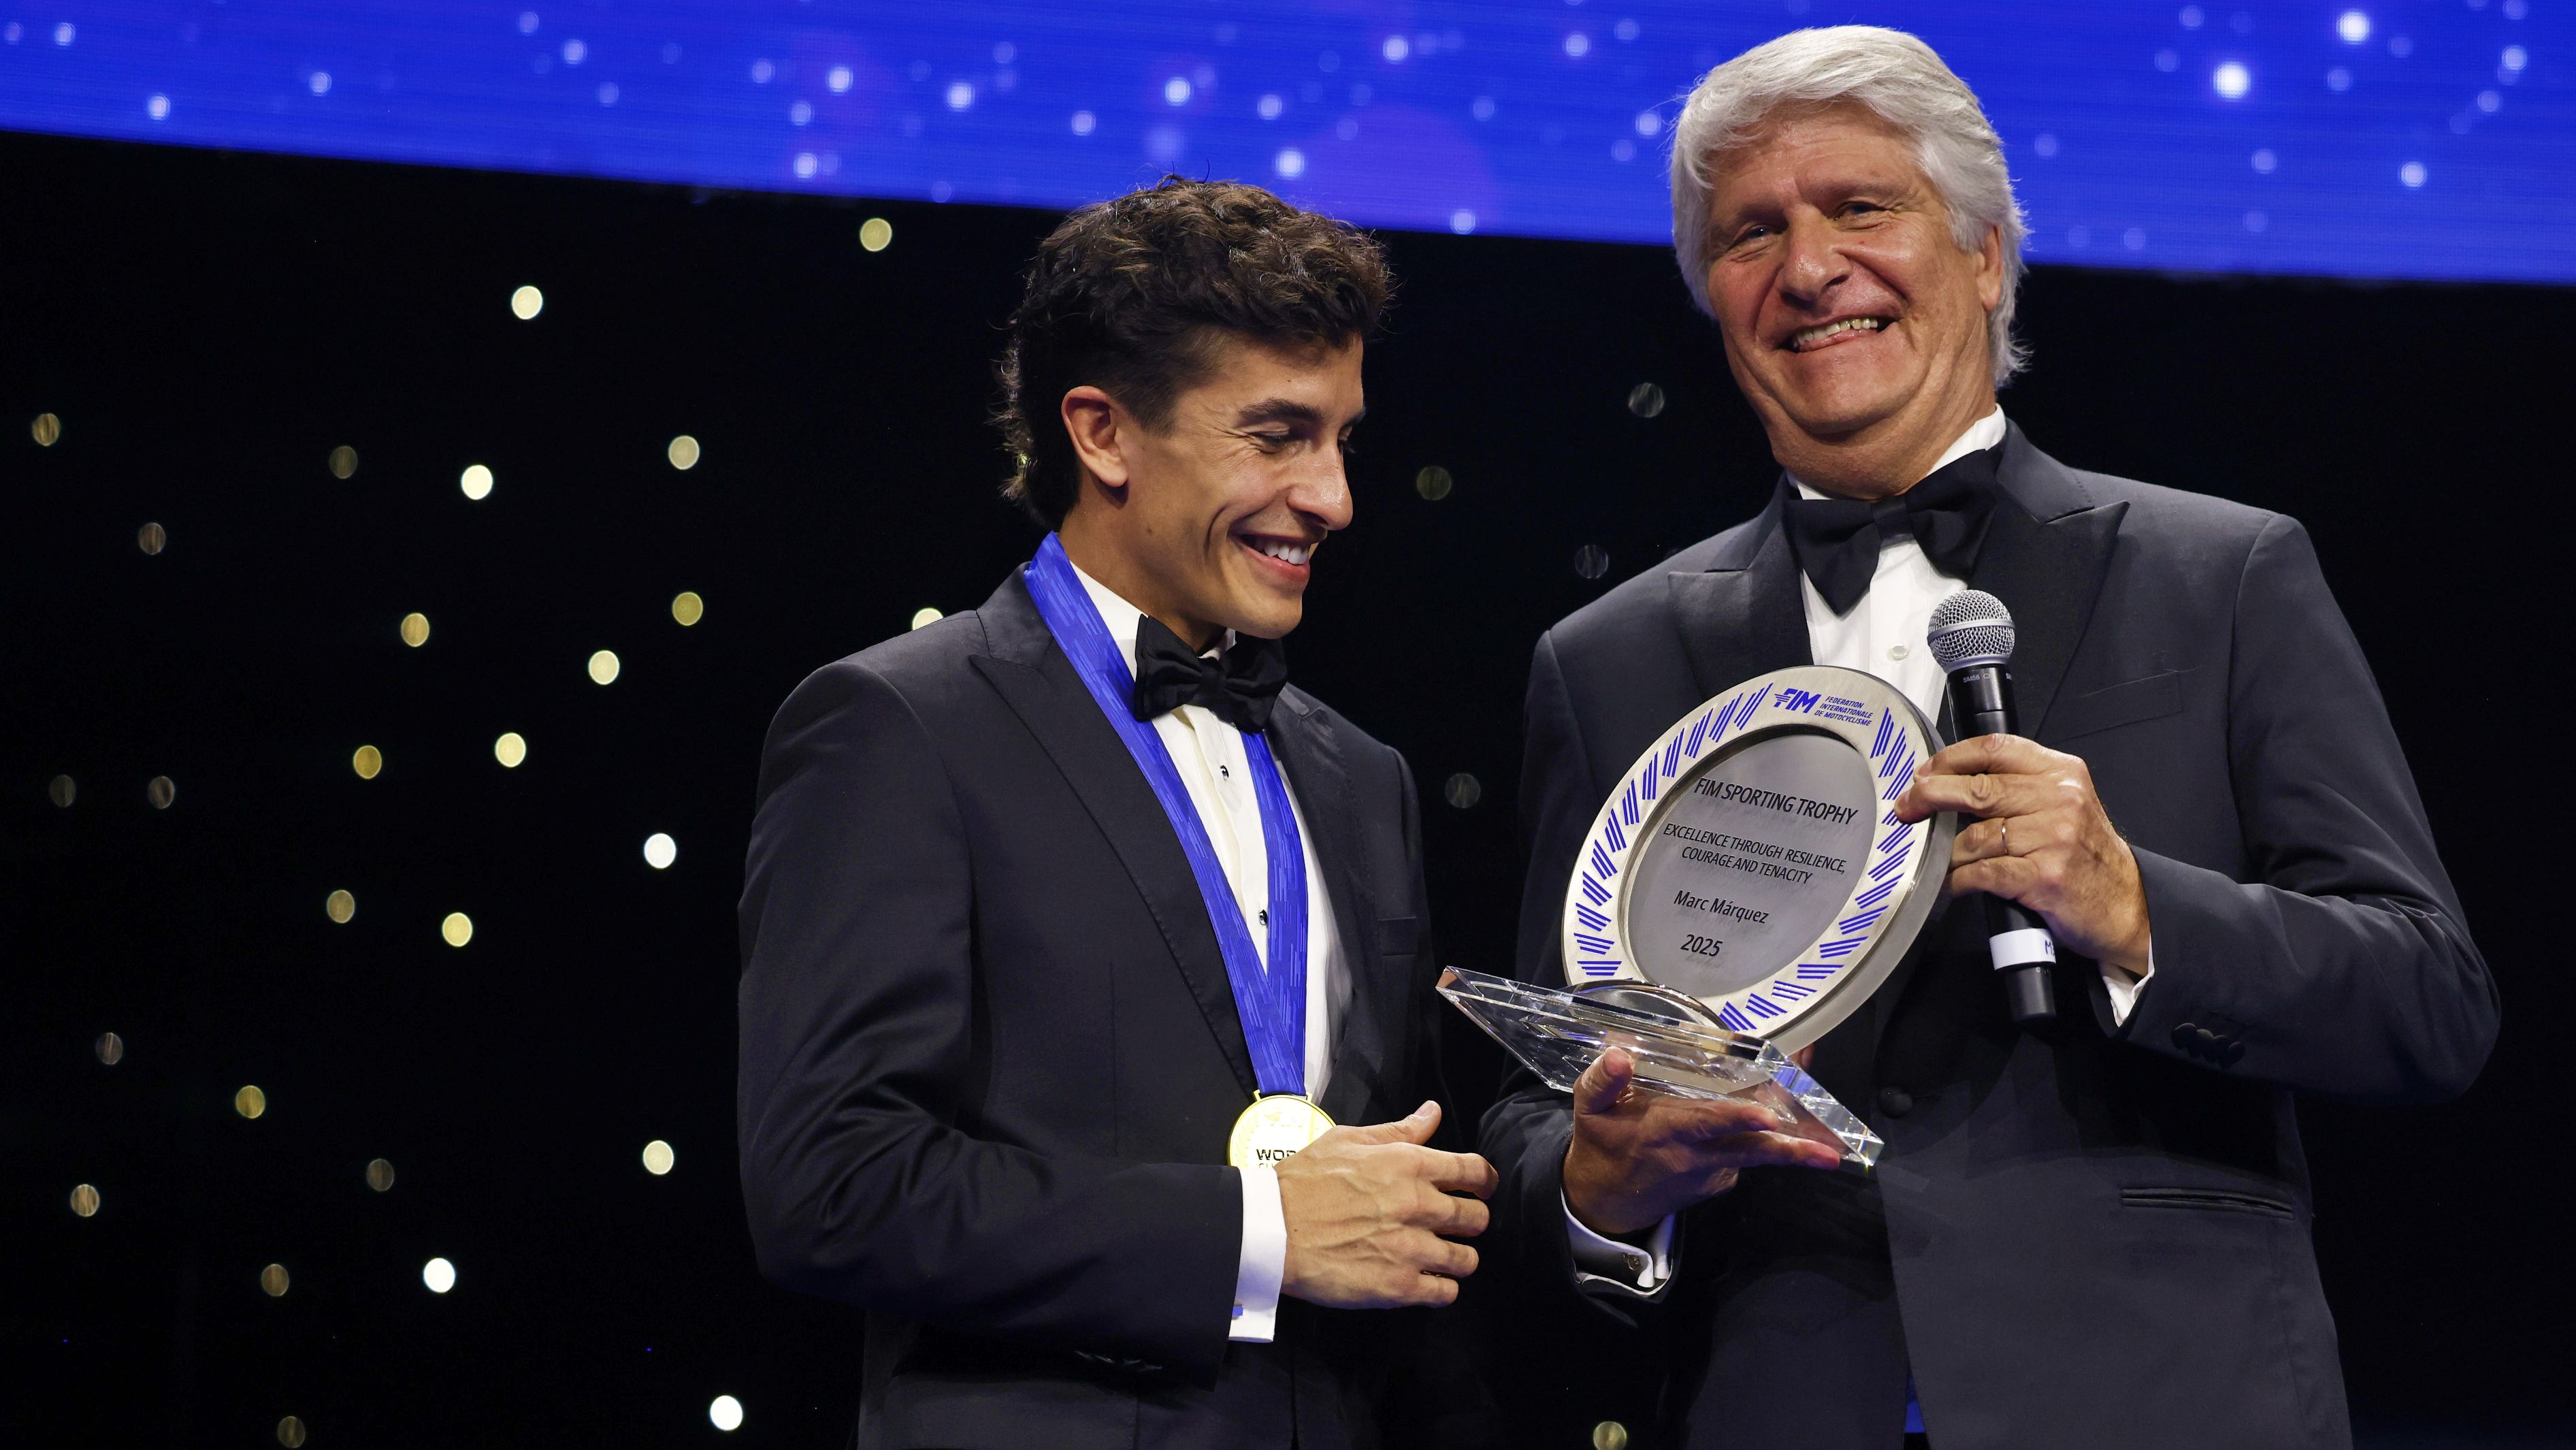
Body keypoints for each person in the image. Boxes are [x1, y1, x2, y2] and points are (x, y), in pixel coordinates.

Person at [1477, 27, 2497, 1450]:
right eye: (1750, 232)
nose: (1811, 268)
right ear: (1713, 301)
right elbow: (1538, 1100)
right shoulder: (1612, 661)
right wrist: (1599, 1180)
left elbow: (2429, 1002)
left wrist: (2140, 908)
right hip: (1783, 1402)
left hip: (2162, 1400)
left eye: (1860, 208)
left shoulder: (2225, 574)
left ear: (1987, 256)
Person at [737, 178, 1497, 1450]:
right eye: (1275, 437)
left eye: (1341, 440)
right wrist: (1259, 1233)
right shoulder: (896, 727)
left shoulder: (1363, 776)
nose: (1332, 497)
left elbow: (1401, 1224)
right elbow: (833, 1183)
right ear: (1101, 433)